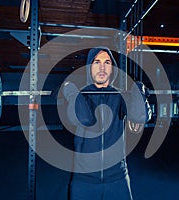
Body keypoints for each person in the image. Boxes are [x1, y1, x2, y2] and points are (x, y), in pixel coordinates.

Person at [63, 46, 152, 200]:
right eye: (97, 62)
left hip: (117, 178)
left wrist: (138, 89)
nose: (102, 67)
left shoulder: (120, 96)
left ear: (113, 69)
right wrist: (71, 90)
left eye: (107, 62)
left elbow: (140, 116)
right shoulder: (80, 96)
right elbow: (84, 118)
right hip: (84, 180)